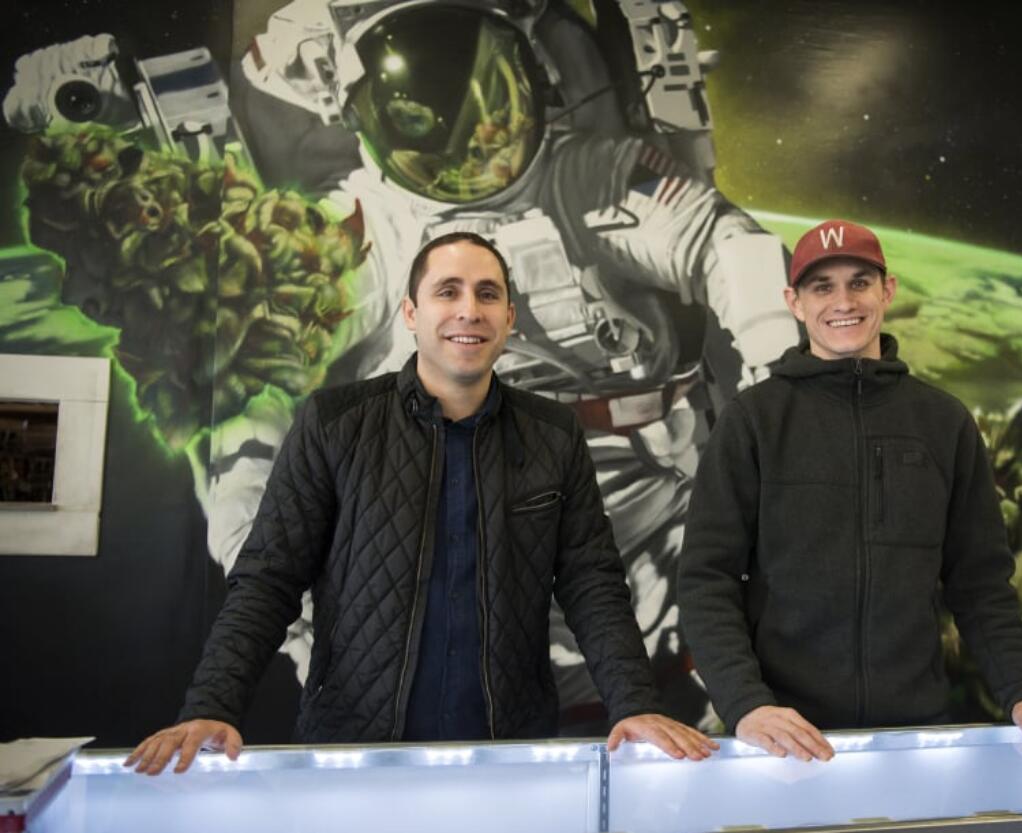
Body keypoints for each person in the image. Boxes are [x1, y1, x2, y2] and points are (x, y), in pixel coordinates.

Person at [126, 232, 717, 774]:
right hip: (356, 750)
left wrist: (634, 704)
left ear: (509, 318)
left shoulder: (552, 434)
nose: (469, 310)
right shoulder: (334, 424)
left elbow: (592, 585)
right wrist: (211, 706)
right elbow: (267, 581)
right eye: (447, 292)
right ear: (411, 313)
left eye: (488, 294)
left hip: (507, 750)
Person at [677, 219, 1022, 762]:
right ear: (794, 301)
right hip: (780, 738)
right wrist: (746, 704)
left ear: (888, 290)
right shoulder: (752, 421)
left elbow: (979, 582)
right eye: (822, 286)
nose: (843, 301)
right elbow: (705, 580)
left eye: (859, 282)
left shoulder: (943, 422)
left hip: (912, 734)